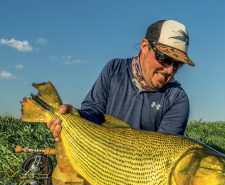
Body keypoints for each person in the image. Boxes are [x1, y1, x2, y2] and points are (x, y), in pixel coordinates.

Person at [48, 19, 195, 142]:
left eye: (177, 64)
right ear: (145, 47)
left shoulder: (177, 99)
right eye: (165, 59)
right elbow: (93, 111)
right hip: (98, 156)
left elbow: (165, 149)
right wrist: (75, 116)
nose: (170, 70)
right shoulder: (114, 69)